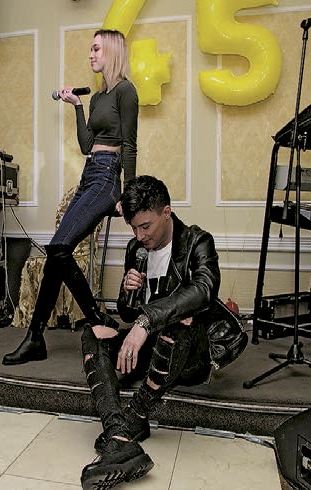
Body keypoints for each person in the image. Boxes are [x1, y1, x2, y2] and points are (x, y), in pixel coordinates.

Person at [80, 175, 225, 489]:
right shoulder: (136, 249)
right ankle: (120, 431)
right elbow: (126, 313)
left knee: (183, 317)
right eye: (134, 228)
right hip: (151, 351)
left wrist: (145, 321)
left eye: (145, 226)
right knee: (94, 333)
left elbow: (204, 290)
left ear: (166, 212)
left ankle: (135, 415)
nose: (140, 235)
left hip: (188, 353)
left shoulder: (197, 242)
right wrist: (127, 292)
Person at [3, 29, 138, 365]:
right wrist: (77, 106)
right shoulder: (97, 98)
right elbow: (85, 145)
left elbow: (130, 145)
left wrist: (129, 194)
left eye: (96, 49)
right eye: (90, 49)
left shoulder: (126, 91)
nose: (91, 54)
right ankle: (36, 338)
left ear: (112, 51)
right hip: (89, 173)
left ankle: (93, 318)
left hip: (107, 178)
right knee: (57, 251)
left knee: (58, 248)